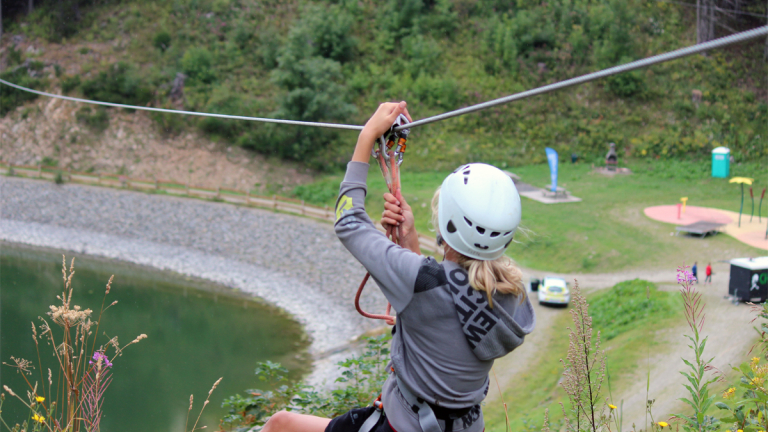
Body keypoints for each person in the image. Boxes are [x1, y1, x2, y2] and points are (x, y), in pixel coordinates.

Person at [261, 102, 535, 432]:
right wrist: (409, 241)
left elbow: (349, 222)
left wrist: (367, 137)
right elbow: (450, 302)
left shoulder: (419, 281)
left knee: (280, 425)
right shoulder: (512, 295)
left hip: (401, 426)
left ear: (446, 222)